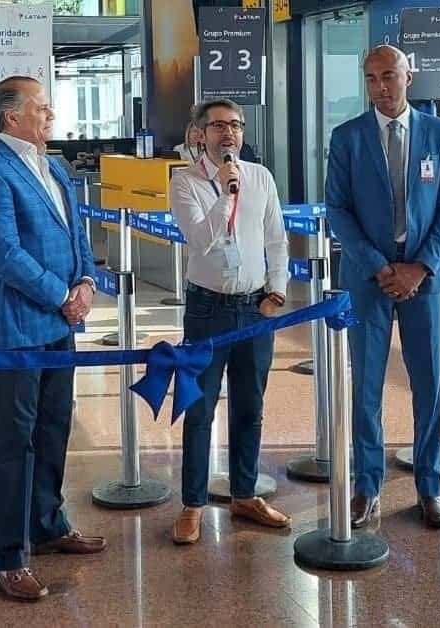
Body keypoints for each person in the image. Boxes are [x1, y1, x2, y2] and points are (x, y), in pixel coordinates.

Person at [0, 76, 104, 602]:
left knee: (54, 428)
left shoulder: (57, 167)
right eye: (41, 108)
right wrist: (60, 295)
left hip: (60, 325)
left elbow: (77, 233)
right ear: (10, 117)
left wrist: (87, 281)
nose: (50, 115)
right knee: (13, 442)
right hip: (19, 327)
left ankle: (47, 523)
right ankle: (7, 557)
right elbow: (5, 255)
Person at [325, 46, 440, 530]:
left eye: (388, 76)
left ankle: (430, 486)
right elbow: (338, 210)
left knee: (428, 386)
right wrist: (380, 266)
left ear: (409, 77)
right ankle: (367, 486)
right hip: (369, 281)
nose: (380, 87)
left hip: (423, 280)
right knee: (366, 388)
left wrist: (420, 267)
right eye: (370, 79)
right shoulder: (347, 138)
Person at [169, 98, 291, 545]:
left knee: (250, 406)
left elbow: (276, 239)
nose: (229, 133)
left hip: (255, 307)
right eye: (219, 125)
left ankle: (244, 492)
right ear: (199, 133)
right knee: (199, 409)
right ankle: (193, 504)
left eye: (236, 125)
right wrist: (224, 192)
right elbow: (200, 241)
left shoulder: (260, 176)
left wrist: (276, 291)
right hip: (207, 309)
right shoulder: (184, 182)